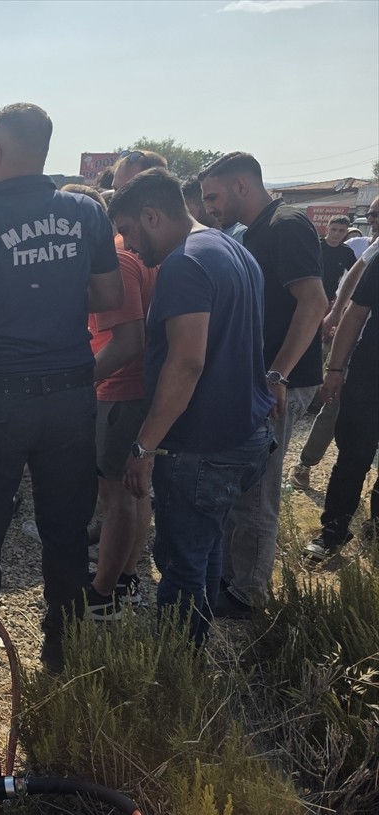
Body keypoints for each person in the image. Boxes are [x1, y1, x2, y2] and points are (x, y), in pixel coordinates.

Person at [0, 103, 123, 677]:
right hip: (69, 399)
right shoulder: (86, 212)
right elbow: (109, 298)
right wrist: (52, 294)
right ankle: (61, 649)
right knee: (65, 529)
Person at [111, 169, 274, 646]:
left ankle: (176, 665)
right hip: (244, 435)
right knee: (205, 551)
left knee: (182, 562)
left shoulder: (184, 264)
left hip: (202, 446)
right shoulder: (231, 248)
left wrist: (144, 446)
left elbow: (186, 363)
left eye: (130, 231)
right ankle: (194, 649)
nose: (130, 246)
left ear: (151, 215)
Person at [198, 152, 328, 617]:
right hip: (263, 380)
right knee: (242, 481)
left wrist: (278, 373)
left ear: (241, 186)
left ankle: (247, 594)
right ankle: (232, 577)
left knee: (257, 487)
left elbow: (313, 304)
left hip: (280, 384)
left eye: (213, 196)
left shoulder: (286, 225)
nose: (209, 207)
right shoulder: (256, 231)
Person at [60, 185, 156, 619]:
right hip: (122, 389)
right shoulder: (116, 256)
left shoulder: (115, 260)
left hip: (119, 390)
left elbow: (128, 341)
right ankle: (124, 578)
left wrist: (76, 382)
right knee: (132, 493)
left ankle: (103, 593)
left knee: (116, 495)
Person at [304, 219, 379, 561]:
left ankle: (375, 530)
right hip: (370, 375)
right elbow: (355, 313)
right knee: (353, 457)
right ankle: (332, 531)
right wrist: (334, 369)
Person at [291, 213, 363, 488]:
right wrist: (334, 315)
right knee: (333, 403)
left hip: (331, 308)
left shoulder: (348, 253)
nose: (335, 233)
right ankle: (305, 464)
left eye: (340, 229)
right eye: (372, 215)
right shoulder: (369, 254)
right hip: (322, 311)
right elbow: (356, 293)